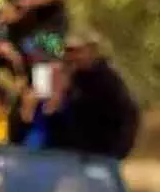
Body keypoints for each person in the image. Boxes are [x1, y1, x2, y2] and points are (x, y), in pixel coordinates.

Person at [58, 29, 139, 160]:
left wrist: (117, 152)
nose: (72, 56)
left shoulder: (109, 81)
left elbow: (128, 116)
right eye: (68, 51)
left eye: (78, 51)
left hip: (104, 155)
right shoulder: (71, 79)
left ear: (92, 51)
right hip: (75, 156)